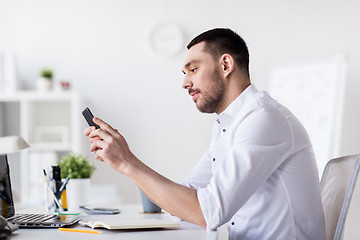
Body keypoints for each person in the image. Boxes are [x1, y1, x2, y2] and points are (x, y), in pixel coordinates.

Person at [84, 28, 325, 239]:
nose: (185, 83)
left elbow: (207, 213)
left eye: (193, 69)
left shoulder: (263, 119)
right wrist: (121, 158)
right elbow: (187, 196)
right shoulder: (227, 125)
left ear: (226, 65)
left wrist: (127, 162)